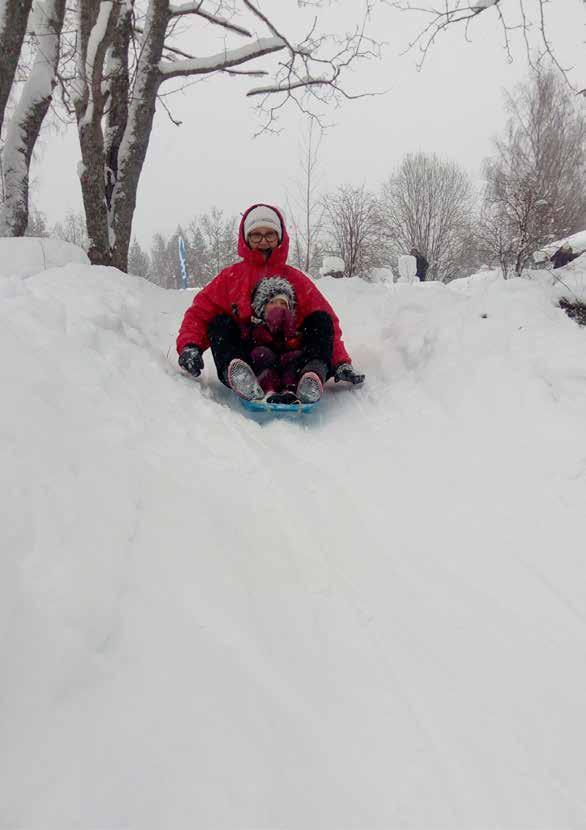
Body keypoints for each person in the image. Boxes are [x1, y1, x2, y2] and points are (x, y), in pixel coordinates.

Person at [177, 203, 365, 403]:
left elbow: (328, 324)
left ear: (280, 238)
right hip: (251, 357)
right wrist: (190, 346)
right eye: (256, 235)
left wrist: (340, 362)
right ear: (246, 238)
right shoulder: (230, 278)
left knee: (320, 320)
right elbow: (200, 314)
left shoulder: (297, 280)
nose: (263, 241)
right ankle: (241, 375)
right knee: (219, 323)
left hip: (293, 357)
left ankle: (312, 376)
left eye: (270, 235)